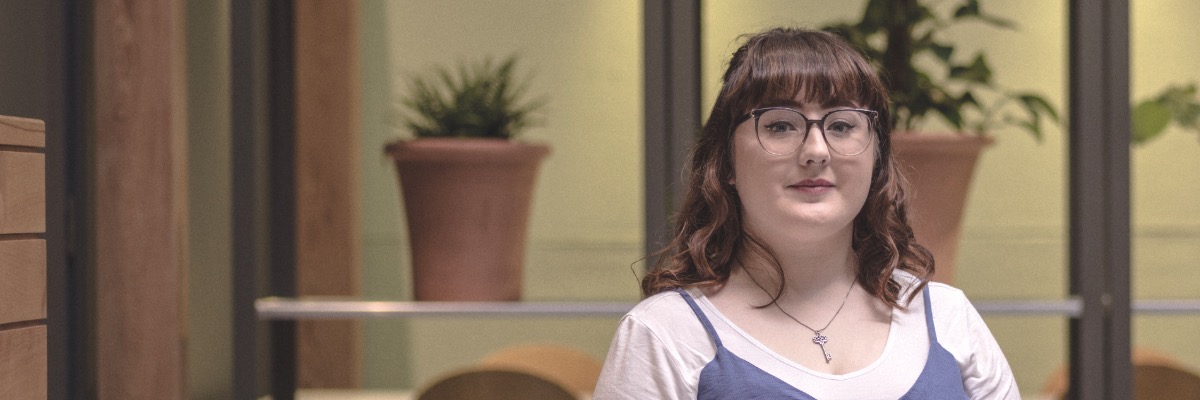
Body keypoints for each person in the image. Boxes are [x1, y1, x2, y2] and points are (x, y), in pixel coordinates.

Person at [593, 27, 1018, 399]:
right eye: (780, 124)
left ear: (876, 158)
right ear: (726, 162)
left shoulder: (945, 317)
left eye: (842, 125)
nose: (816, 150)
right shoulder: (668, 335)